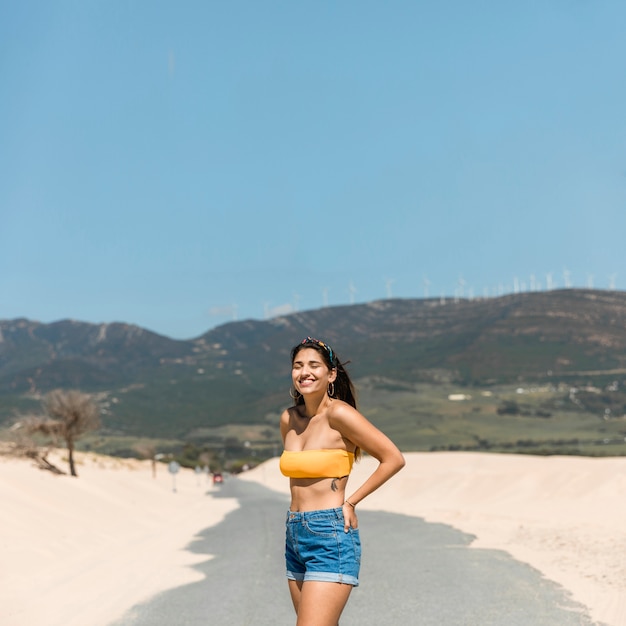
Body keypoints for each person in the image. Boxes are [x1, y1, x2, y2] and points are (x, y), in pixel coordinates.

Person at [280, 336, 405, 626]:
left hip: (329, 532)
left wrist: (351, 501)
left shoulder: (339, 414)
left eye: (314, 365)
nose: (304, 372)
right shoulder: (288, 419)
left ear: (331, 374)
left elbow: (393, 458)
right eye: (298, 366)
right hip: (295, 533)